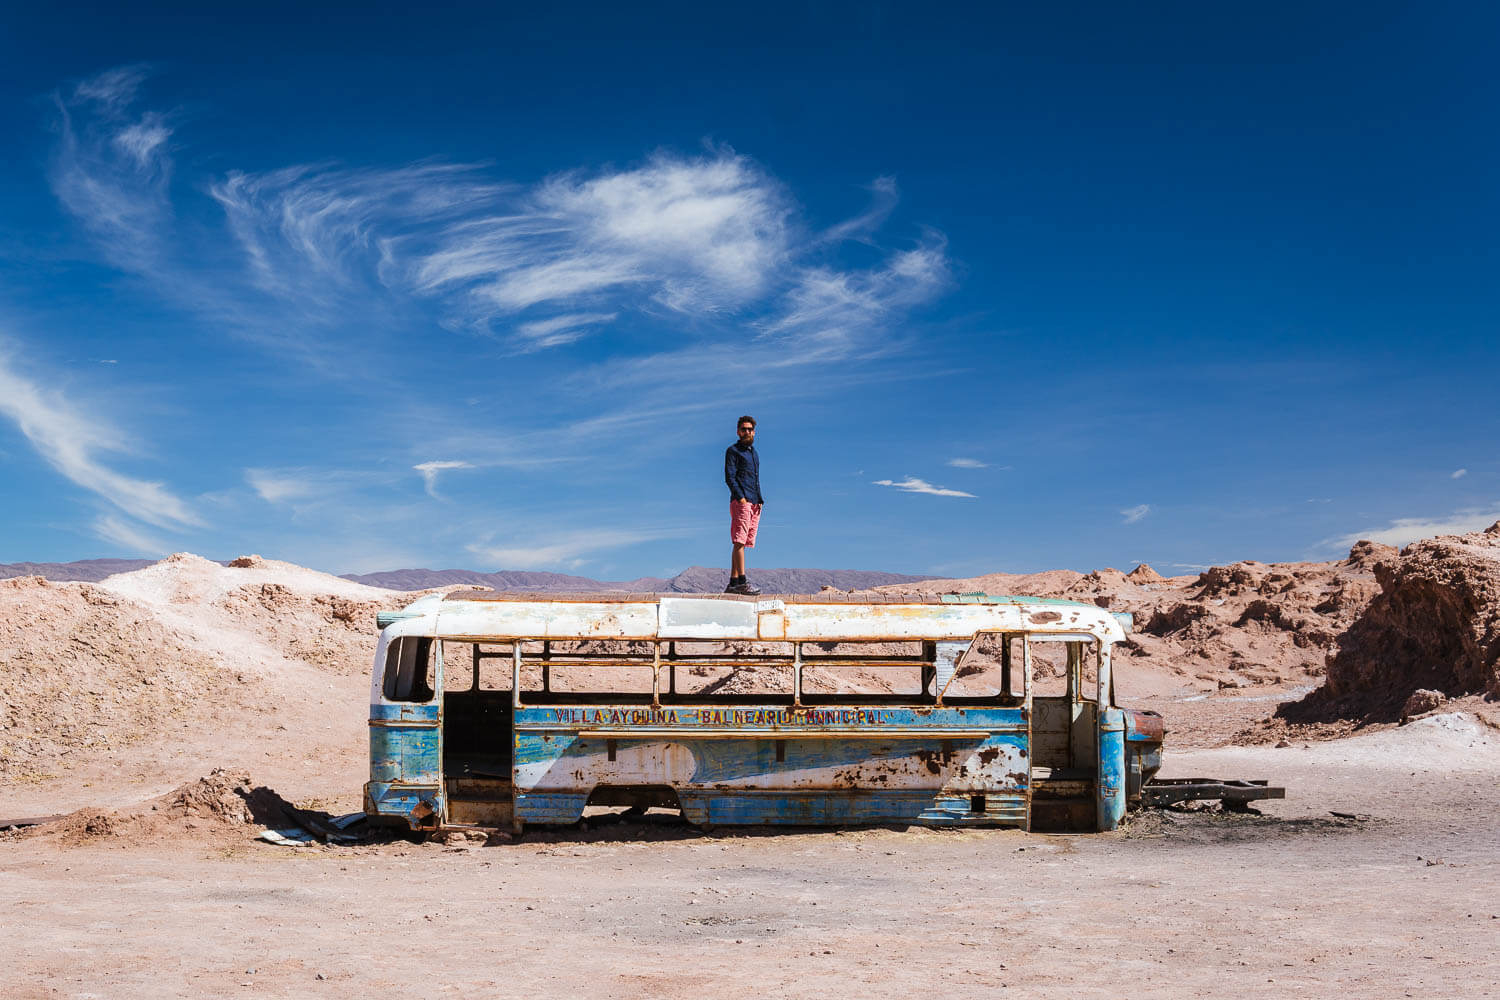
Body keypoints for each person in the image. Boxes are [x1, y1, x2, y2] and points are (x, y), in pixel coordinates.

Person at [724, 415, 763, 595]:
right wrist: (741, 499)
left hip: (754, 502)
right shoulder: (733, 451)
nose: (747, 432)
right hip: (742, 501)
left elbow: (755, 479)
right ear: (738, 431)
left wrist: (759, 500)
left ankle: (733, 582)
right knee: (739, 540)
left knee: (744, 542)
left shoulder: (753, 453)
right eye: (744, 429)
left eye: (750, 429)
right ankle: (742, 582)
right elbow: (730, 477)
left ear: (754, 432)